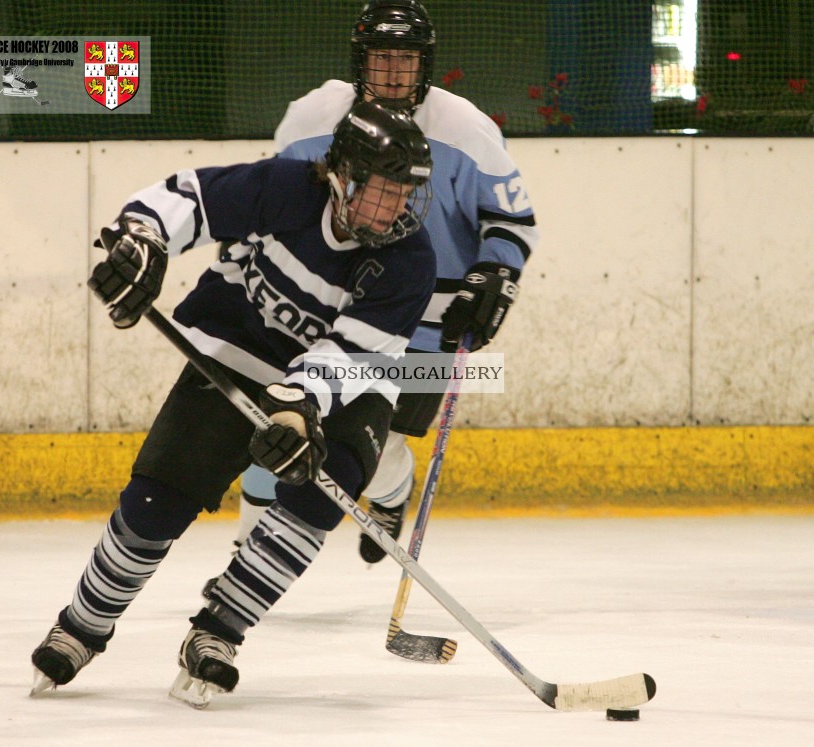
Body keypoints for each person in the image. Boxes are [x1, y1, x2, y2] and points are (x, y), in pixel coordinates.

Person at [30, 101, 436, 705]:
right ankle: (84, 624)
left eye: (403, 193)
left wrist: (299, 406)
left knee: (329, 484)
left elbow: (352, 354)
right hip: (237, 354)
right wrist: (141, 242)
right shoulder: (282, 189)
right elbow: (187, 199)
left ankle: (218, 633)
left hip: (342, 391)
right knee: (157, 500)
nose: (393, 207)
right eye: (380, 190)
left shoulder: (410, 262)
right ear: (340, 177)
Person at [219, 0, 539, 574]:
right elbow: (277, 195)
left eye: (407, 59)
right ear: (359, 60)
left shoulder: (466, 129)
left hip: (425, 321)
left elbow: (510, 220)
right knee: (275, 421)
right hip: (321, 308)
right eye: (382, 57)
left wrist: (497, 274)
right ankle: (248, 543)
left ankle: (391, 494)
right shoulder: (313, 116)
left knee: (381, 443)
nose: (394, 72)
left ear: (426, 65)